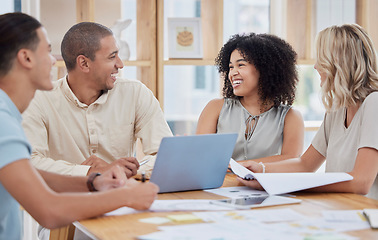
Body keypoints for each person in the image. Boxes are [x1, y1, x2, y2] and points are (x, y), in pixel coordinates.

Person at [0, 12, 159, 239]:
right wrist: (124, 196)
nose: (54, 60)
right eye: (46, 50)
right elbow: (48, 210)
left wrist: (94, 181)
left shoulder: (7, 113)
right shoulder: (3, 121)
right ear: (26, 58)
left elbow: (33, 173)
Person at [238, 24, 378, 200]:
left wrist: (284, 184)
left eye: (321, 59)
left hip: (364, 217)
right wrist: (262, 170)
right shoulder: (337, 109)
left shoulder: (374, 103)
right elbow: (305, 164)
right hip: (340, 210)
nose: (316, 66)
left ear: (339, 62)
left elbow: (361, 182)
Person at [22, 21, 173, 178]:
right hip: (63, 198)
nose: (120, 64)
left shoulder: (135, 93)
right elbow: (29, 162)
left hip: (121, 195)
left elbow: (167, 155)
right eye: (112, 57)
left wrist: (122, 171)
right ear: (84, 63)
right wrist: (89, 172)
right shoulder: (39, 100)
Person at [196, 33, 304, 164]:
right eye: (231, 67)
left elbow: (291, 160)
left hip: (265, 185)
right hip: (221, 184)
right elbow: (200, 157)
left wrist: (236, 166)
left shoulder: (290, 117)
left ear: (265, 69)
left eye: (240, 65)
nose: (233, 73)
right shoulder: (215, 108)